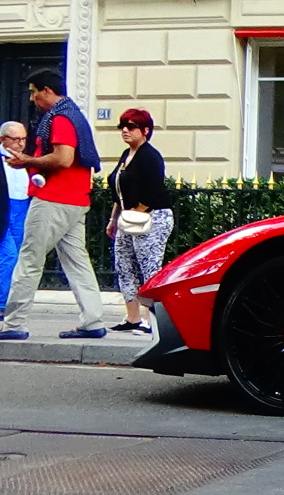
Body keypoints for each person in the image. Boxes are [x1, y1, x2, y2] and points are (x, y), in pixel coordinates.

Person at [0, 69, 105, 341]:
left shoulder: (60, 118)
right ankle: (93, 321)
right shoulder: (75, 115)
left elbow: (63, 159)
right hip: (76, 199)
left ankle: (13, 324)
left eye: (35, 92)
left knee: (29, 259)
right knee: (77, 262)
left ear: (47, 90)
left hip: (53, 199)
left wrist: (27, 161)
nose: (33, 98)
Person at [106, 109, 172, 334]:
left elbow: (154, 189)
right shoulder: (127, 154)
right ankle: (132, 317)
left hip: (152, 217)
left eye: (131, 126)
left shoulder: (150, 155)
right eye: (122, 126)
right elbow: (119, 189)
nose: (125, 130)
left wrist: (137, 212)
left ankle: (151, 320)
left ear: (145, 131)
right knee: (125, 266)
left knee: (149, 267)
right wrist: (114, 218)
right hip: (128, 217)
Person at [0, 122, 32, 319]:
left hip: (21, 207)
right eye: (16, 139)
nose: (21, 143)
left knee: (17, 255)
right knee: (9, 255)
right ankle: (2, 302)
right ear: (3, 139)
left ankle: (9, 299)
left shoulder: (25, 160)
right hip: (5, 209)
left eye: (23, 139)